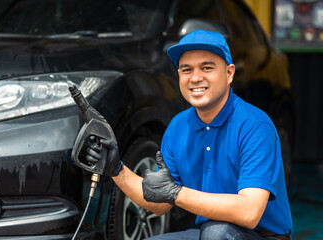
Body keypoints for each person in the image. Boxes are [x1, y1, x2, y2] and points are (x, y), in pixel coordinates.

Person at [86, 29, 293, 240]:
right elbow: (159, 204)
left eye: (207, 67)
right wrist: (116, 170)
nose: (195, 78)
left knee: (216, 233)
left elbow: (249, 213)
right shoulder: (178, 127)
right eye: (186, 70)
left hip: (263, 236)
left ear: (229, 73)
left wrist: (176, 193)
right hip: (210, 233)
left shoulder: (255, 126)